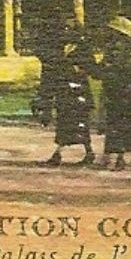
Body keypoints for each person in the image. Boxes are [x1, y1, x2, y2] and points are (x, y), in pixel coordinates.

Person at [36, 18, 96, 166]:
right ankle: (70, 153)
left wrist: (78, 69)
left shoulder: (83, 48)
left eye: (69, 29)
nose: (66, 32)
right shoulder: (60, 48)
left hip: (79, 90)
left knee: (80, 123)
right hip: (65, 90)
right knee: (65, 122)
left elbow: (90, 67)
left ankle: (81, 153)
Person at [94, 15, 131, 170]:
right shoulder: (129, 44)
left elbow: (116, 66)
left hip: (119, 86)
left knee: (117, 120)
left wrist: (97, 71)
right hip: (127, 86)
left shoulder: (119, 45)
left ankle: (118, 156)